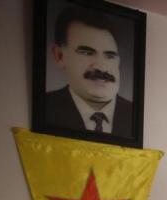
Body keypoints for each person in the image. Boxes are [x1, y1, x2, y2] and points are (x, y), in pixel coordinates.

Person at [46, 6, 133, 136]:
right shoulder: (46, 108)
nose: (101, 67)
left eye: (110, 56)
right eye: (87, 53)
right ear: (59, 55)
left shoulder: (133, 114)